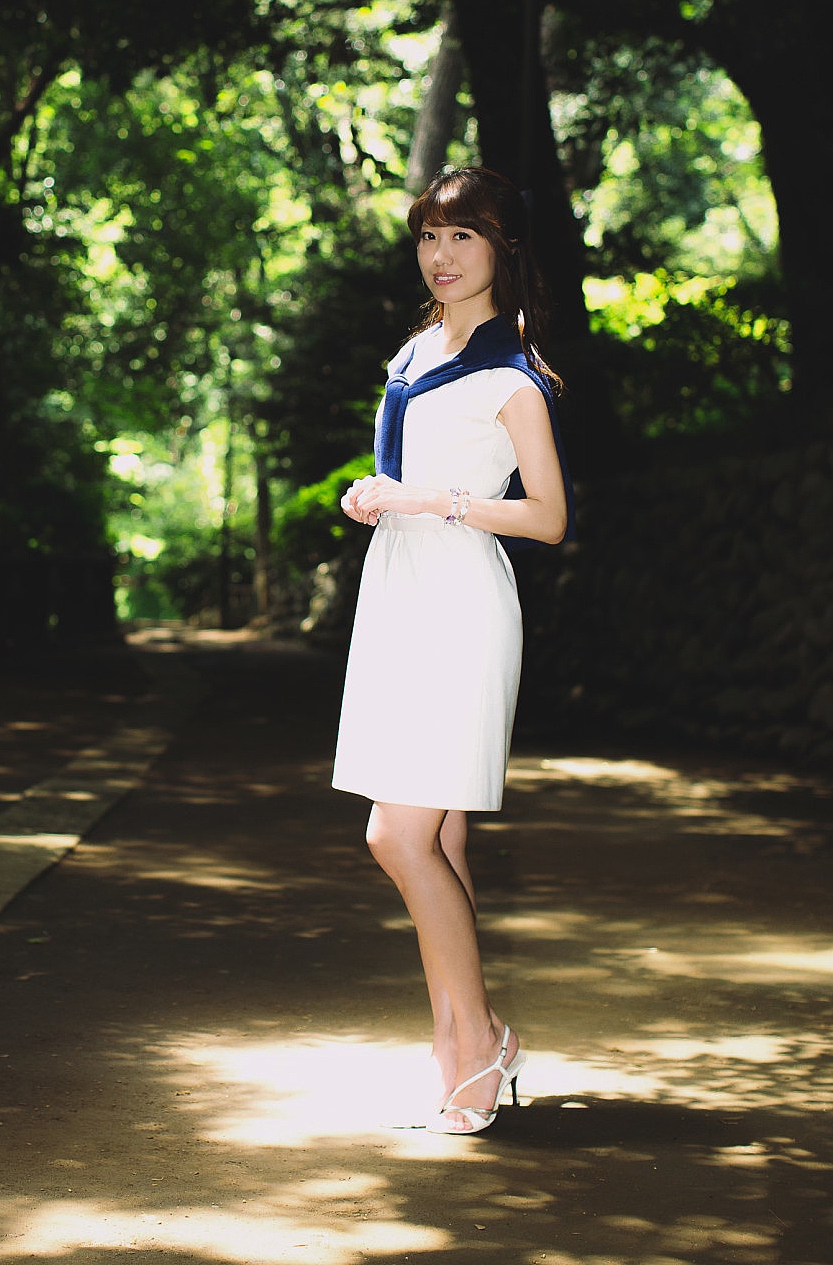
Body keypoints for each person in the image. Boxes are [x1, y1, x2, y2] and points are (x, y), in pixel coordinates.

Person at [334, 165, 572, 1135]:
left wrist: (434, 500)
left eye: (462, 236)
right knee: (442, 838)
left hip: (461, 602)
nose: (441, 255)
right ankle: (459, 1049)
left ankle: (477, 1042)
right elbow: (406, 472)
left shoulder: (512, 376)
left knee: (396, 836)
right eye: (429, 236)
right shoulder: (412, 352)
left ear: (501, 248)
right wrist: (375, 495)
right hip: (398, 593)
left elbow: (548, 517)